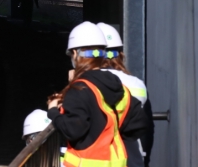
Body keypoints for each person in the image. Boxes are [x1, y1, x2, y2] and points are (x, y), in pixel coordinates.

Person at [47, 22, 148, 167]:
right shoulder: (119, 87)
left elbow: (72, 130)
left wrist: (53, 112)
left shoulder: (79, 89)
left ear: (75, 54)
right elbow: (138, 125)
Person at [96, 22, 154, 167]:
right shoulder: (137, 85)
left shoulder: (86, 84)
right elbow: (147, 130)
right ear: (121, 55)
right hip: (132, 159)